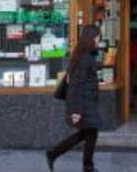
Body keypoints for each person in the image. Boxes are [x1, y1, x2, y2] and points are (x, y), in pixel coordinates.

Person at [46, 25, 101, 172]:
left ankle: (54, 154)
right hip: (83, 103)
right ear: (91, 38)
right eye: (97, 37)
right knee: (90, 132)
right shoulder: (84, 58)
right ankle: (87, 166)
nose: (99, 40)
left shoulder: (85, 55)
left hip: (86, 102)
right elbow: (76, 85)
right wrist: (76, 111)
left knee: (87, 133)